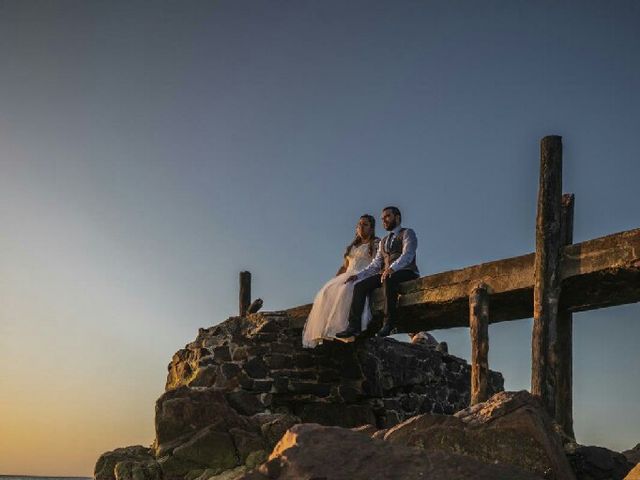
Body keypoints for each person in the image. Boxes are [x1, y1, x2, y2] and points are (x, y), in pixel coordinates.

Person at [337, 206, 419, 339]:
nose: (384, 220)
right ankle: (354, 326)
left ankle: (388, 323)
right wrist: (358, 276)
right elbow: (375, 264)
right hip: (388, 273)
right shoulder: (384, 241)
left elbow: (408, 255)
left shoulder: (408, 233)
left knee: (388, 278)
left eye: (387, 216)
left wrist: (392, 268)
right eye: (382, 218)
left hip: (406, 272)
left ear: (397, 217)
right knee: (360, 286)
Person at [302, 215, 380, 348]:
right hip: (348, 274)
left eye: (365, 224)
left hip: (363, 274)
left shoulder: (376, 243)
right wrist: (335, 279)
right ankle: (327, 329)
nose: (361, 227)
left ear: (371, 228)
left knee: (347, 289)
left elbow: (376, 263)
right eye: (359, 224)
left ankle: (346, 327)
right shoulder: (352, 246)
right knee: (327, 291)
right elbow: (345, 266)